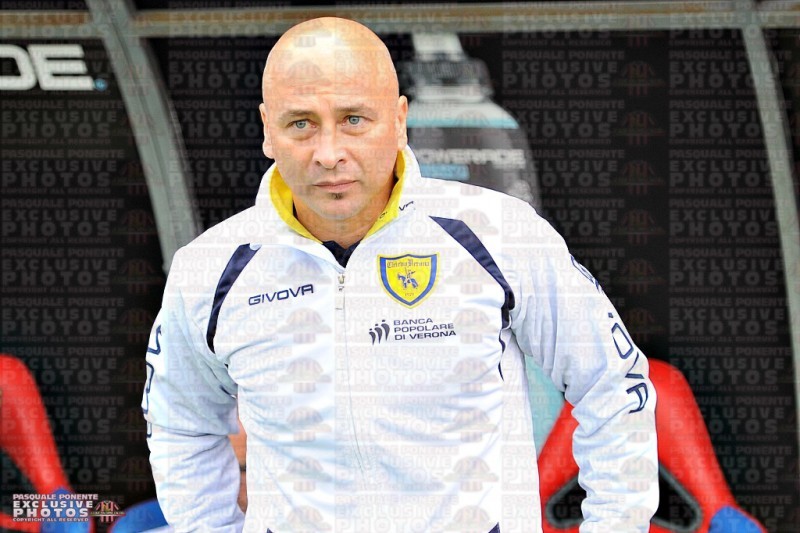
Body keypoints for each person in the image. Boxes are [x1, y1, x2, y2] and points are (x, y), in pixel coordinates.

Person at [143, 17, 658, 532]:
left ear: (398, 120)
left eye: (353, 120)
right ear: (266, 130)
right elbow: (179, 425)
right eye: (300, 123)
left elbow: (614, 385)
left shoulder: (500, 234)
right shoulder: (209, 269)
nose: (329, 154)